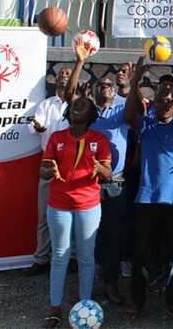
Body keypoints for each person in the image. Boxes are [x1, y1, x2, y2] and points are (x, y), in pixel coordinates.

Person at [123, 57, 173, 323]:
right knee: (140, 255)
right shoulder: (146, 125)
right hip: (147, 200)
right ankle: (137, 302)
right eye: (159, 100)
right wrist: (136, 80)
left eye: (169, 101)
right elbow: (128, 115)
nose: (164, 103)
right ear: (153, 103)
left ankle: (172, 301)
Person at [64, 38, 132, 305]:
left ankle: (110, 283)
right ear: (93, 91)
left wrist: (130, 83)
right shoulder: (89, 112)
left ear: (114, 90)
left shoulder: (122, 110)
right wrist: (80, 61)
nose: (105, 87)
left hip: (115, 184)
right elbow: (71, 96)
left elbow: (135, 101)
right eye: (100, 85)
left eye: (109, 85)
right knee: (86, 236)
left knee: (113, 236)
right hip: (87, 183)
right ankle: (85, 285)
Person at [39, 96, 112, 328]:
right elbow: (43, 170)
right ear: (68, 112)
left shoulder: (99, 139)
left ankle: (85, 305)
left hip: (88, 205)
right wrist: (49, 171)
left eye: (85, 105)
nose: (78, 106)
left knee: (86, 257)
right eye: (75, 104)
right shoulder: (56, 137)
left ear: (91, 115)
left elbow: (107, 171)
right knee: (60, 255)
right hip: (58, 204)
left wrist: (100, 167)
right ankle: (55, 307)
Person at [25, 66, 72, 277]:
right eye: (61, 73)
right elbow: (34, 128)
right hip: (48, 162)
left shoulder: (77, 105)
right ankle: (41, 258)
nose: (64, 76)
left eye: (68, 74)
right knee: (44, 213)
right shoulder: (45, 105)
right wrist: (37, 127)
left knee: (72, 213)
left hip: (72, 164)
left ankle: (70, 260)